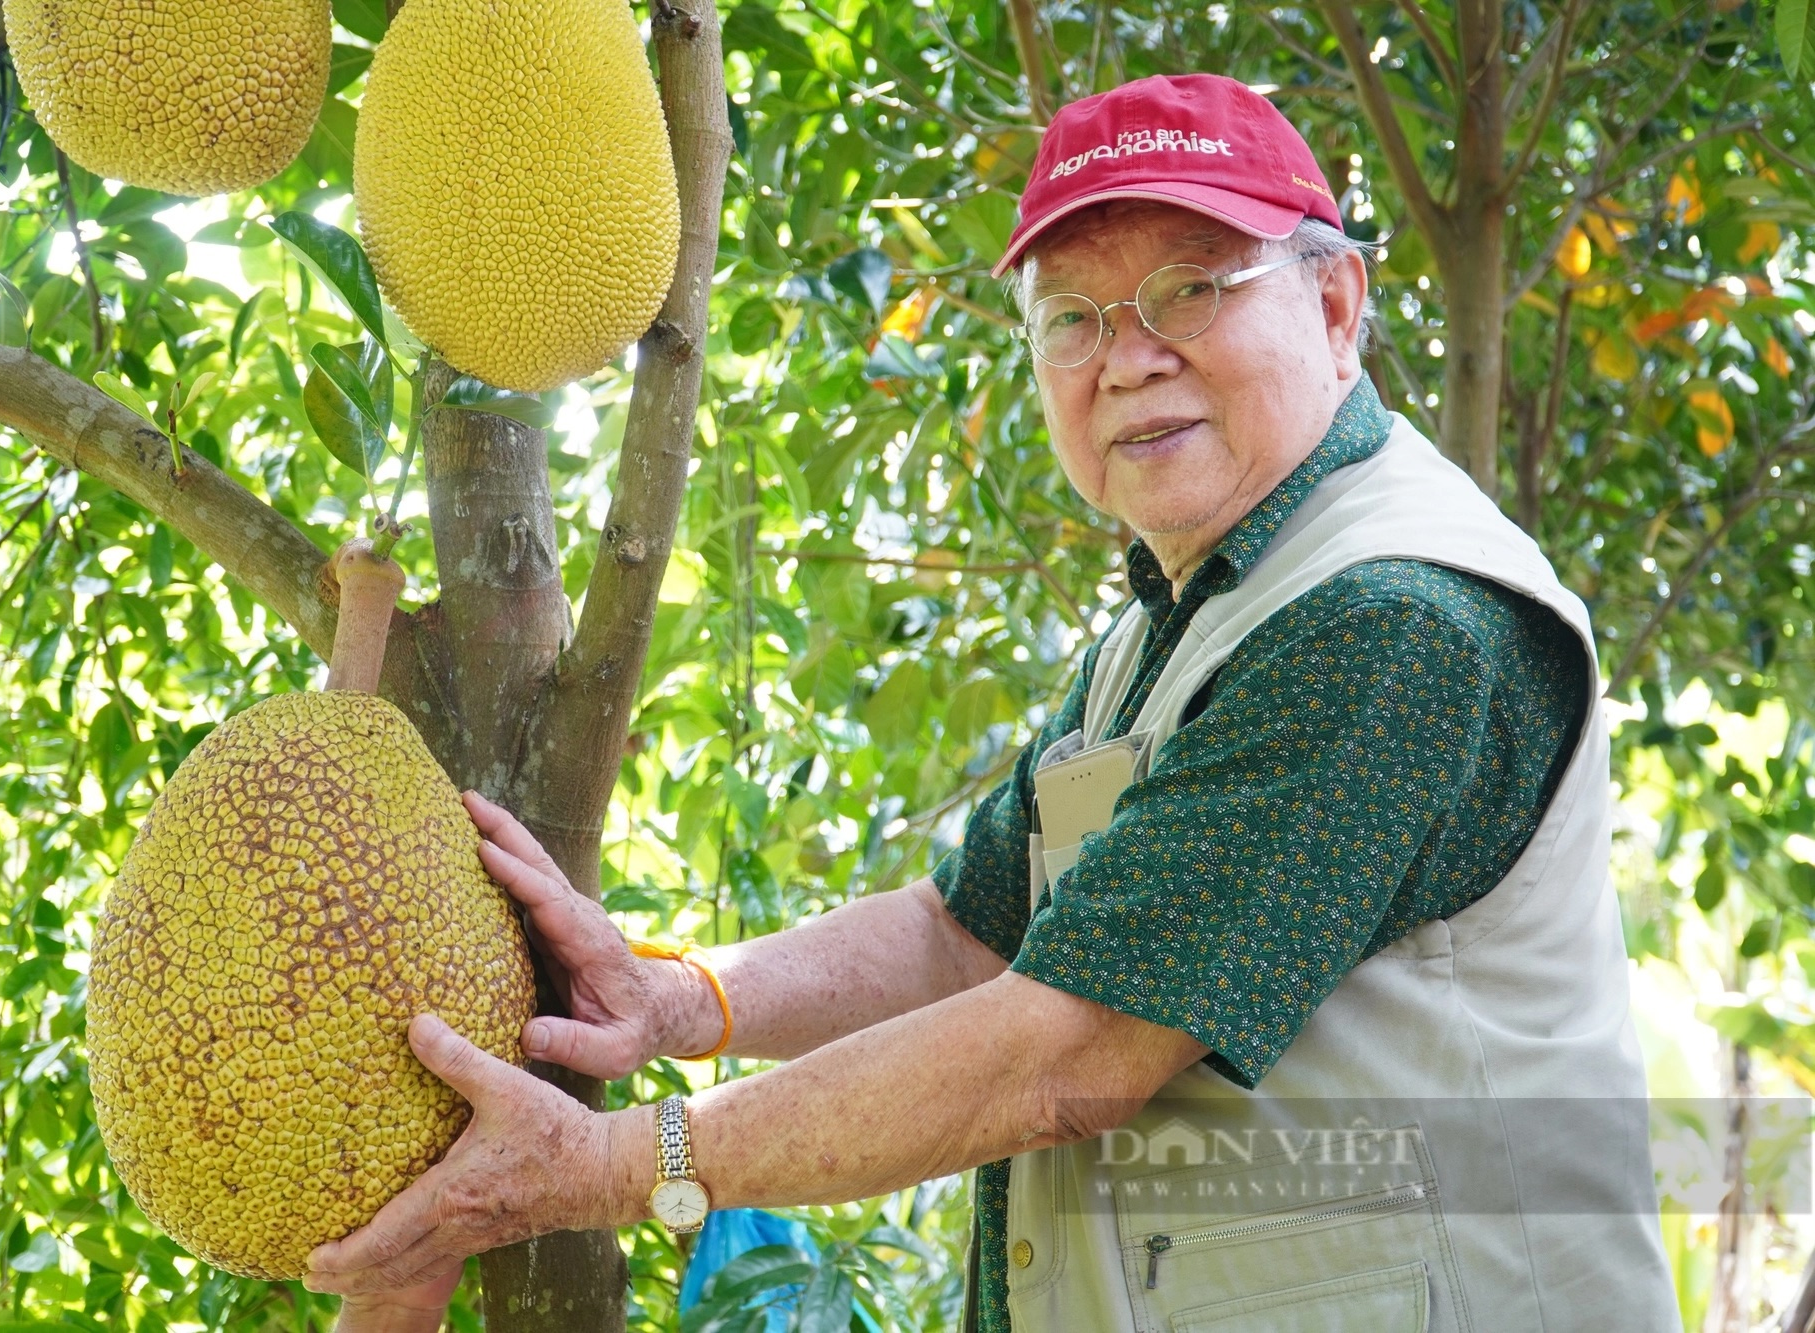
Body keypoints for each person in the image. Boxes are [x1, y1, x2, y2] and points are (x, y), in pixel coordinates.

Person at [309, 74, 1678, 1332]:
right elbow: (969, 936)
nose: (1127, 358)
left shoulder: (1394, 621)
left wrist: (617, 1164)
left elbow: (1070, 1051)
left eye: (1193, 290)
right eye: (1073, 321)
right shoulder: (1169, 631)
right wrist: (677, 998)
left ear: (1335, 307)